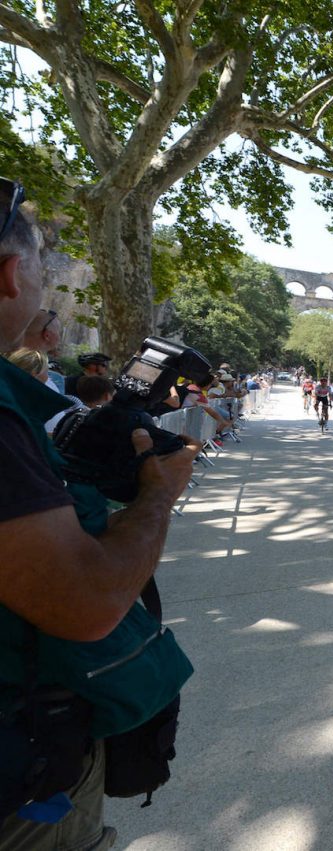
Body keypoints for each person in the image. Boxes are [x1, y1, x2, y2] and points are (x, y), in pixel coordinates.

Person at [0, 177, 199, 851]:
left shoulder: (18, 400)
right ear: (9, 274)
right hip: (21, 766)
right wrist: (157, 494)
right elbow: (87, 601)